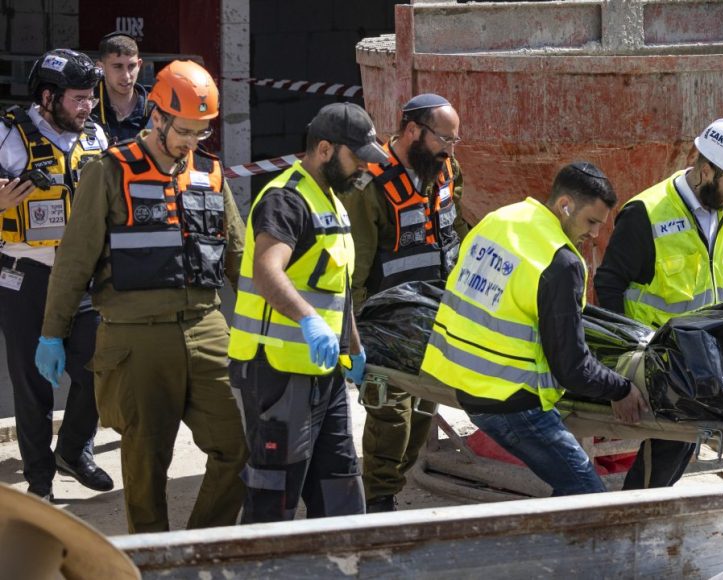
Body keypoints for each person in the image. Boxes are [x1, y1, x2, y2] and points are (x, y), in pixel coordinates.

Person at [38, 60, 247, 533]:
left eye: (201, 133)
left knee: (237, 450)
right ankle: (152, 560)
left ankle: (198, 548)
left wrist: (272, 327)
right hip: (136, 338)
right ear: (156, 116)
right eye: (185, 132)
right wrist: (53, 333)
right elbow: (73, 263)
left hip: (207, 330)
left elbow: (240, 260)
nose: (192, 143)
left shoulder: (211, 175)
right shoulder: (108, 173)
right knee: (146, 462)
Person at [422, 162, 649, 496]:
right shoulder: (558, 261)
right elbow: (572, 368)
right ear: (564, 205)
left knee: (569, 483)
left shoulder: (499, 219)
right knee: (587, 495)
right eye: (591, 222)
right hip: (510, 401)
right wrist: (622, 389)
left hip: (464, 381)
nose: (595, 235)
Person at [228, 102, 383, 522]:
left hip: (324, 373)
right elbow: (266, 270)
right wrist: (311, 323)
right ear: (325, 150)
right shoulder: (286, 199)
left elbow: (338, 288)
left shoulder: (330, 200)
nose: (364, 169)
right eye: (358, 158)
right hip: (276, 371)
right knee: (275, 495)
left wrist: (352, 346)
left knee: (340, 487)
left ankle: (340, 566)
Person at [594, 117, 723, 490]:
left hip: (702, 351)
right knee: (678, 433)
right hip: (656, 353)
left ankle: (645, 506)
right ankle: (638, 511)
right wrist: (623, 361)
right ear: (706, 171)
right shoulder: (647, 214)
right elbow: (608, 285)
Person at [343, 93, 468, 513]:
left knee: (423, 410)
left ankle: (389, 486)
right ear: (413, 131)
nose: (450, 149)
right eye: (443, 139)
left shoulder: (447, 169)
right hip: (385, 319)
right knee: (389, 414)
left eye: (455, 140)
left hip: (434, 313)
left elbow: (456, 228)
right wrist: (356, 330)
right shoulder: (370, 185)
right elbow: (354, 265)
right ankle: (378, 500)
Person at [1, 48, 112, 501]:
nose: (87, 107)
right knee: (31, 388)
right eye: (78, 99)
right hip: (25, 275)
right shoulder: (8, 134)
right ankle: (39, 482)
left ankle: (72, 449)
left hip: (83, 280)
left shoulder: (97, 138)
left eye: (90, 98)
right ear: (48, 97)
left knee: (102, 369)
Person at [93, 32, 148, 144]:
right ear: (100, 67)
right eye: (118, 67)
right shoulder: (87, 107)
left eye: (131, 66)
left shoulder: (156, 108)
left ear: (139, 65)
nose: (126, 76)